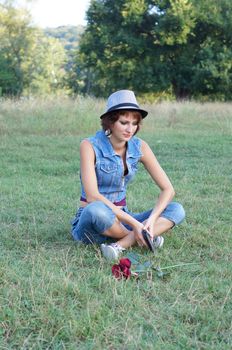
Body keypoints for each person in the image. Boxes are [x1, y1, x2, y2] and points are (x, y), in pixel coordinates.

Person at [71, 90, 185, 260]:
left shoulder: (140, 147)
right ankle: (143, 237)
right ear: (110, 122)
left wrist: (152, 220)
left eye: (134, 123)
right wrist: (135, 225)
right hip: (94, 220)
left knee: (177, 209)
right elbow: (92, 197)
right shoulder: (89, 145)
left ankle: (120, 244)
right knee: (95, 210)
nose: (130, 129)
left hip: (123, 216)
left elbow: (168, 189)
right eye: (124, 122)